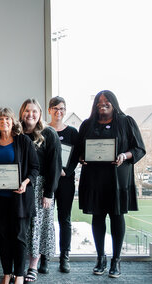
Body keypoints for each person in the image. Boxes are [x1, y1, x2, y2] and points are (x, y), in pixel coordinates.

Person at [77, 90, 145, 278]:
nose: (102, 104)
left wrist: (124, 155)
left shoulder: (126, 121)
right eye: (99, 102)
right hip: (94, 179)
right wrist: (82, 157)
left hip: (117, 179)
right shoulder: (87, 124)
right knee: (97, 218)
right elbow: (78, 151)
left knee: (117, 217)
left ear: (113, 103)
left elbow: (139, 148)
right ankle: (101, 258)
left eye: (106, 101)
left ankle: (116, 260)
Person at [0, 107, 39, 284]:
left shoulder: (23, 141)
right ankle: (7, 273)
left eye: (7, 119)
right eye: (0, 119)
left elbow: (34, 167)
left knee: (19, 237)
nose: (4, 122)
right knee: (4, 238)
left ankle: (20, 275)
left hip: (20, 198)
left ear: (13, 121)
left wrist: (25, 182)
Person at [19, 99, 62, 282]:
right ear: (22, 113)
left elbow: (55, 165)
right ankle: (19, 264)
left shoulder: (49, 134)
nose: (30, 114)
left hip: (40, 187)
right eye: (27, 111)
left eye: (34, 111)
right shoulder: (16, 132)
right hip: (20, 186)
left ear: (40, 114)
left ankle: (33, 266)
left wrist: (49, 193)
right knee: (21, 226)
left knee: (37, 227)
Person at [47, 96, 79, 273]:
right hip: (48, 182)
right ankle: (44, 256)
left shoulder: (73, 132)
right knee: (46, 220)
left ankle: (64, 257)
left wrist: (67, 170)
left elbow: (77, 156)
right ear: (49, 110)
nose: (58, 111)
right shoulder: (43, 130)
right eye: (55, 108)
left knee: (64, 220)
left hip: (66, 181)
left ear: (65, 111)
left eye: (62, 108)